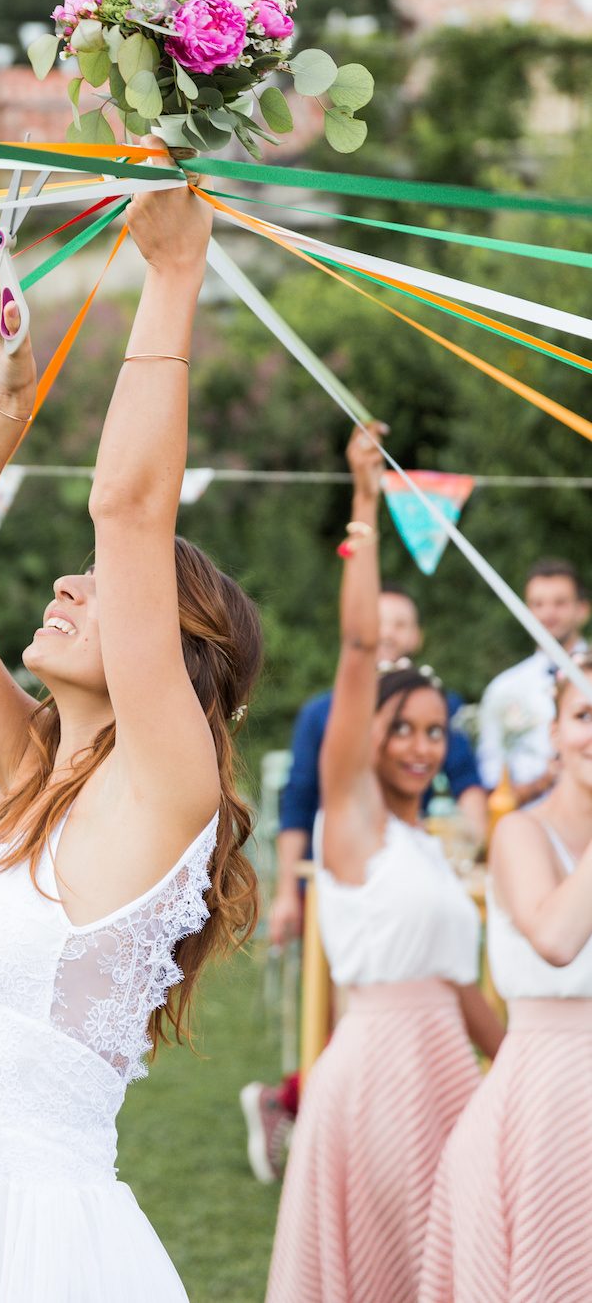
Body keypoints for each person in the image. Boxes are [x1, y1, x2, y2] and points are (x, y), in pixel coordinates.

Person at [0, 144, 261, 1302]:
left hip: (46, 1251)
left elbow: (128, 507)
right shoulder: (37, 774)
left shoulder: (164, 792)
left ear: (171, 647)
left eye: (105, 588)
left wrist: (174, 274)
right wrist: (3, 398)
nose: (66, 585)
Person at [264, 424, 503, 1303]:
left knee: (454, 1264)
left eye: (435, 731)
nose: (419, 745)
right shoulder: (352, 818)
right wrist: (363, 503)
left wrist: (528, 1076)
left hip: (447, 1064)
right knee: (394, 1267)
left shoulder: (429, 852)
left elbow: (462, 985)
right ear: (365, 734)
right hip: (378, 1072)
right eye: (401, 727)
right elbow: (361, 651)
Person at [241, 585, 487, 1182]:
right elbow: (299, 802)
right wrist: (288, 895)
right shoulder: (328, 714)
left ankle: (294, 1102)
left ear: (417, 636)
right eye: (379, 624)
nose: (389, 633)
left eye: (401, 623)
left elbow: (468, 776)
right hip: (350, 865)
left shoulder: (438, 705)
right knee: (338, 1011)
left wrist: (474, 834)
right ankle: (302, 1103)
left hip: (413, 861)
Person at [420, 653, 592, 1303]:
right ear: (554, 732)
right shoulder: (521, 830)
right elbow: (555, 937)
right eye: (584, 716)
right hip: (547, 1098)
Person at [476, 557, 589, 804]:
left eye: (560, 603)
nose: (548, 614)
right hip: (530, 820)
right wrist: (542, 781)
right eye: (537, 604)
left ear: (582, 609)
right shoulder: (503, 689)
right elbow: (491, 776)